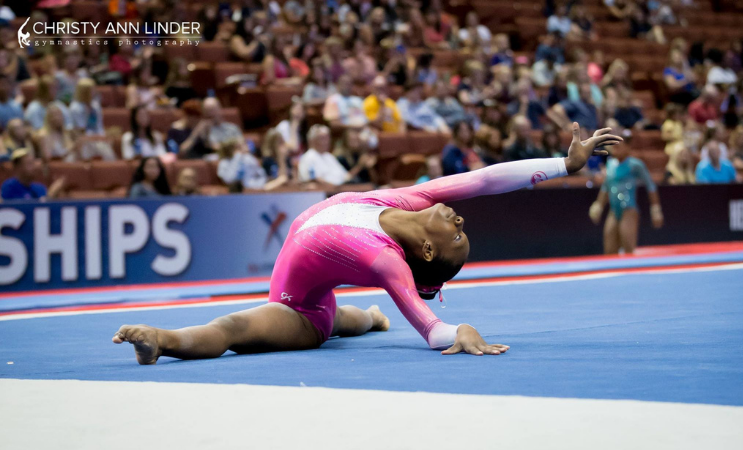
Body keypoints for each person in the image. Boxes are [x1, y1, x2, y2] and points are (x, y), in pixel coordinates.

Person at [112, 122, 623, 364]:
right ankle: (367, 319)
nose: (460, 218)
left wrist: (457, 330)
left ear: (427, 252)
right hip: (322, 293)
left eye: (458, 233)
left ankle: (164, 340)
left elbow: (429, 326)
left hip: (295, 309)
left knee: (235, 326)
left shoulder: (383, 260)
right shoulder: (412, 200)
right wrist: (565, 166)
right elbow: (487, 179)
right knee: (352, 317)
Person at [589, 136, 663, 254]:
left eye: (619, 146)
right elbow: (606, 186)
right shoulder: (610, 164)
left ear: (628, 147)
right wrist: (598, 205)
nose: (616, 149)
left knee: (628, 246)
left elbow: (650, 186)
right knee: (609, 248)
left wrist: (655, 209)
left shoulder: (635, 165)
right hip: (614, 210)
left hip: (628, 209)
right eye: (614, 147)